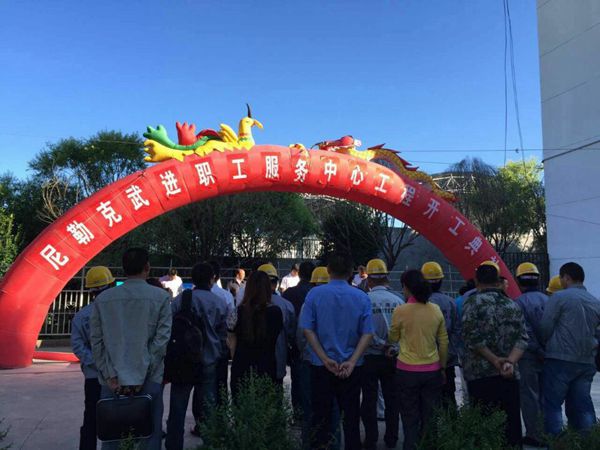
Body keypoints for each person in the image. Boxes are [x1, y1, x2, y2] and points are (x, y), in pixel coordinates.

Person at [90, 248, 171, 450]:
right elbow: (161, 341)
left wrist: (109, 375)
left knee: (112, 438)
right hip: (149, 380)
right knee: (149, 436)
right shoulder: (161, 297)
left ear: (123, 268)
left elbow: (96, 342)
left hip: (112, 381)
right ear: (147, 267)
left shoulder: (103, 299)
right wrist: (142, 374)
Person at [300, 253, 374, 450]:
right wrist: (352, 361)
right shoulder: (362, 297)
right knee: (351, 419)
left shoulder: (314, 294)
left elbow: (307, 329)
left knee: (321, 419)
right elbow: (368, 333)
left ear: (328, 270)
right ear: (351, 272)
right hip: (352, 368)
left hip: (322, 367)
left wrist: (324, 359)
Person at [461, 263, 528, 448]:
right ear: (498, 281)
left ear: (477, 281)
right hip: (509, 374)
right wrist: (510, 362)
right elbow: (523, 338)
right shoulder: (511, 304)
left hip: (480, 374)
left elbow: (472, 338)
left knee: (484, 427)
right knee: (511, 425)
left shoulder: (472, 303)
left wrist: (494, 360)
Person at [165, 262, 228, 449]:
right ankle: (210, 443)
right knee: (208, 407)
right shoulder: (219, 302)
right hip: (209, 361)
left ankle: (174, 444)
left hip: (183, 360)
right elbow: (223, 333)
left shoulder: (182, 299)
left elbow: (169, 324)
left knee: (177, 408)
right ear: (212, 279)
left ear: (192, 279)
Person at [388, 270, 448, 450]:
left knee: (409, 419)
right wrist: (442, 367)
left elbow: (393, 337)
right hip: (432, 371)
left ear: (406, 287)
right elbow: (444, 342)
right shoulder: (435, 310)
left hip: (406, 371)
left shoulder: (400, 311)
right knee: (430, 418)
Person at [539, 262, 600, 437]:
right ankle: (588, 441)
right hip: (586, 360)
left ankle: (556, 442)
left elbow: (545, 326)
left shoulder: (559, 298)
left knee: (552, 405)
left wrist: (545, 345)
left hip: (560, 359)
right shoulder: (595, 301)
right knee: (583, 405)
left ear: (566, 277)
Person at [296, 266, 342, 450]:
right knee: (335, 407)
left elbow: (302, 333)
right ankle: (334, 444)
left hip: (312, 361)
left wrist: (304, 352)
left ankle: (310, 443)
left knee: (310, 406)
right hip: (337, 361)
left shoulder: (310, 302)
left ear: (313, 283)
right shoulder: (341, 302)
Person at [71, 266, 116, 450]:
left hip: (93, 376)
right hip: (118, 375)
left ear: (90, 291)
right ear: (111, 285)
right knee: (118, 418)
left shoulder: (82, 316)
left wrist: (96, 362)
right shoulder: (119, 313)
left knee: (91, 417)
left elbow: (78, 346)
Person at [360, 259, 403, 450]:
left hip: (369, 356)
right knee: (392, 399)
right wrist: (391, 346)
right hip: (393, 356)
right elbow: (404, 330)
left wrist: (379, 344)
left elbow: (363, 330)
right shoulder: (398, 301)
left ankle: (371, 440)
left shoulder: (364, 301)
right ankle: (391, 438)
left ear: (369, 280)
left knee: (369, 399)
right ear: (386, 278)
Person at [229, 271, 283, 392]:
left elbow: (231, 340)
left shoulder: (237, 312)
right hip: (267, 365)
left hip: (241, 365)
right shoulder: (276, 312)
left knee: (242, 399)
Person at [514, 262, 548, 447]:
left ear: (519, 281)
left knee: (529, 396)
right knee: (545, 395)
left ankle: (534, 435)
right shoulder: (548, 300)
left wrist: (537, 350)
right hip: (548, 355)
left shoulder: (518, 303)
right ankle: (549, 431)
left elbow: (525, 331)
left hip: (528, 356)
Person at [421, 261, 461, 408]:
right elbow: (457, 331)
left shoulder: (420, 303)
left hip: (425, 361)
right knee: (448, 399)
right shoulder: (451, 302)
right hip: (448, 361)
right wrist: (450, 353)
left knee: (428, 402)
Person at [282, 261, 315, 412]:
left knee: (297, 382)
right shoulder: (317, 294)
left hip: (295, 344)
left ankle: (299, 414)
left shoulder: (289, 293)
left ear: (299, 274)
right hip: (318, 346)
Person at [258, 263, 296, 385]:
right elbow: (291, 333)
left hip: (253, 364)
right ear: (275, 283)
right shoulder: (286, 305)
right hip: (277, 360)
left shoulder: (246, 305)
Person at [208, 261, 235, 407]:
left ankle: (202, 416)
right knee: (220, 382)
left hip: (198, 345)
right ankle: (221, 412)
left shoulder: (190, 296)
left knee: (201, 385)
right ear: (217, 276)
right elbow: (231, 322)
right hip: (220, 343)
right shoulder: (226, 296)